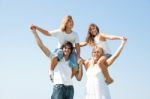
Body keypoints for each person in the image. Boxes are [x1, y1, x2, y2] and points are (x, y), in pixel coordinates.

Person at [31, 29, 83, 99]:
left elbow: (79, 78)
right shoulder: (57, 58)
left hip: (70, 88)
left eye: (69, 48)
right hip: (59, 87)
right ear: (62, 48)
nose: (66, 49)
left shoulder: (72, 62)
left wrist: (80, 65)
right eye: (65, 48)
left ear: (71, 51)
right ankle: (50, 72)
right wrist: (34, 33)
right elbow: (42, 46)